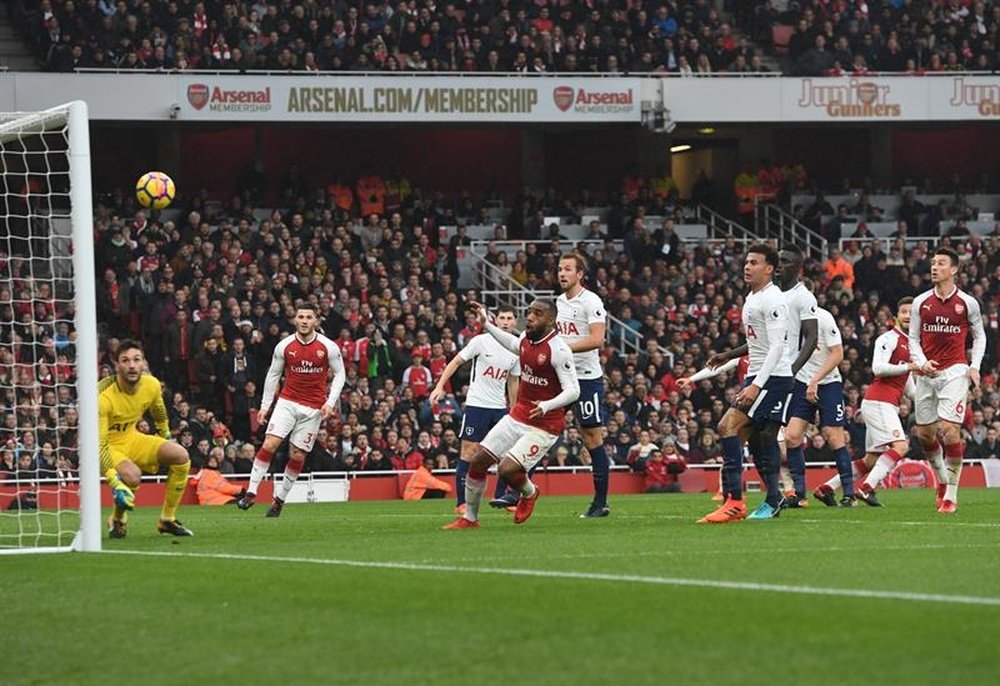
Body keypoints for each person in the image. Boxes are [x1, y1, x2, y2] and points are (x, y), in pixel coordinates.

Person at [443, 299, 579, 529]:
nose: (531, 317)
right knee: (478, 461)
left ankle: (530, 492)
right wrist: (487, 324)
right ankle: (470, 518)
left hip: (544, 425)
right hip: (519, 415)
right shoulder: (526, 340)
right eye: (529, 313)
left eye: (538, 313)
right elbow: (513, 344)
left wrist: (547, 405)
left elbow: (573, 390)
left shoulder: (559, 350)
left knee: (506, 469)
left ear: (551, 320)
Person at [697, 243, 792, 523]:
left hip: (773, 378)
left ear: (770, 268)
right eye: (746, 262)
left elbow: (777, 347)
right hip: (760, 375)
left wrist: (756, 385)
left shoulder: (773, 300)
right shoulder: (752, 298)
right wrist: (729, 354)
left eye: (754, 262)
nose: (747, 266)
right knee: (756, 440)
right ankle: (769, 499)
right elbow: (757, 343)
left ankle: (736, 502)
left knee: (729, 426)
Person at [237, 303, 346, 517]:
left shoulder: (329, 347)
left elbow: (340, 374)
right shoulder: (284, 346)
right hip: (287, 402)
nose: (304, 321)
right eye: (301, 317)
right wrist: (265, 406)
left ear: (316, 321)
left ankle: (279, 501)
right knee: (270, 443)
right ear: (294, 320)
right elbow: (273, 375)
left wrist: (329, 402)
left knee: (297, 455)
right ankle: (250, 493)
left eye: (309, 317)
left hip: (313, 409)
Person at [908, 247, 986, 513]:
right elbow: (912, 339)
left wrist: (974, 366)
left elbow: (980, 336)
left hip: (955, 371)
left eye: (941, 263)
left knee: (948, 429)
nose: (934, 267)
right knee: (925, 434)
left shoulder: (967, 303)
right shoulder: (921, 302)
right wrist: (920, 363)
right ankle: (942, 479)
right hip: (926, 373)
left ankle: (951, 494)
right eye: (932, 263)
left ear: (954, 270)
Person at [821, 297, 919, 507]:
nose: (908, 315)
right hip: (879, 402)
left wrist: (930, 398)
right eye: (904, 312)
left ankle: (826, 488)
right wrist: (908, 367)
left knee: (870, 461)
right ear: (896, 317)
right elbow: (878, 368)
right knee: (901, 447)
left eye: (912, 312)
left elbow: (909, 387)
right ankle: (867, 489)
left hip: (883, 404)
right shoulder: (888, 338)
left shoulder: (911, 345)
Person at [428, 305, 520, 515]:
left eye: (509, 318)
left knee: (507, 454)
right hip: (478, 405)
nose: (505, 321)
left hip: (499, 408)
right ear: (495, 321)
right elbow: (456, 361)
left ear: (515, 322)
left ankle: (502, 497)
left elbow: (513, 381)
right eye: (502, 318)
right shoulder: (481, 341)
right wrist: (440, 385)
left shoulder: (516, 349)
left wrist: (514, 409)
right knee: (469, 452)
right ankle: (461, 502)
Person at [99, 339, 194, 539]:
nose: (132, 365)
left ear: (143, 363)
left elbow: (158, 410)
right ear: (117, 366)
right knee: (132, 476)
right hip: (106, 445)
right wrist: (114, 482)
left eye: (137, 360)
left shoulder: (151, 385)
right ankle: (118, 520)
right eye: (125, 360)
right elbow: (98, 444)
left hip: (132, 438)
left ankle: (167, 519)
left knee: (180, 455)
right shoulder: (102, 396)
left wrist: (165, 435)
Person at [555, 252, 612, 519]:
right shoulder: (558, 302)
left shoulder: (591, 301)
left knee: (592, 438)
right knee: (540, 426)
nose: (562, 273)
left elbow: (597, 339)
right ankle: (517, 491)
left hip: (587, 377)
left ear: (579, 274)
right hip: (561, 376)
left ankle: (600, 503)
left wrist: (564, 347)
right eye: (559, 269)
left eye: (567, 269)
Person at [783, 306, 853, 507]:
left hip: (828, 383)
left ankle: (849, 494)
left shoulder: (823, 317)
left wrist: (816, 380)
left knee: (834, 436)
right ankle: (799, 495)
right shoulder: (787, 320)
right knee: (792, 436)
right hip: (801, 382)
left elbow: (838, 353)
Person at [774, 246, 819, 505]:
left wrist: (793, 369)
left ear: (798, 267)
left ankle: (797, 492)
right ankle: (784, 491)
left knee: (789, 436)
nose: (779, 264)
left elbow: (811, 338)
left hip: (791, 376)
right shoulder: (771, 294)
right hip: (770, 373)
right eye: (777, 260)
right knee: (771, 435)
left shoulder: (804, 297)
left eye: (785, 261)